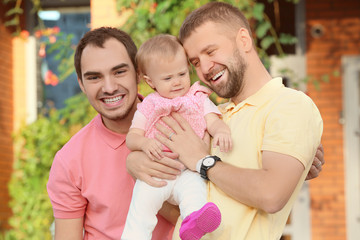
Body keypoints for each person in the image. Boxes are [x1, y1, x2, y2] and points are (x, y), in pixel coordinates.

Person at [127, 2, 324, 240]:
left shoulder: (289, 105)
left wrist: (203, 161)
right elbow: (180, 211)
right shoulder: (208, 114)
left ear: (243, 40)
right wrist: (137, 165)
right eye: (196, 62)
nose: (205, 69)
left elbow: (271, 195)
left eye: (210, 52)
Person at [46, 27, 181, 240]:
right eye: (94, 77)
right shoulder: (69, 160)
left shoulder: (181, 123)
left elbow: (213, 220)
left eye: (119, 72)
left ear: (138, 73)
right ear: (81, 84)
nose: (109, 88)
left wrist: (146, 183)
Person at [122, 34, 232, 240]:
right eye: (167, 78)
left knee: (195, 192)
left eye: (181, 74)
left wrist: (222, 130)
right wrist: (145, 143)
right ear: (150, 81)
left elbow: (213, 121)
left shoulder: (198, 98)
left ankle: (193, 222)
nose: (177, 82)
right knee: (141, 208)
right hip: (157, 171)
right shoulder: (149, 105)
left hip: (189, 170)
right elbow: (132, 137)